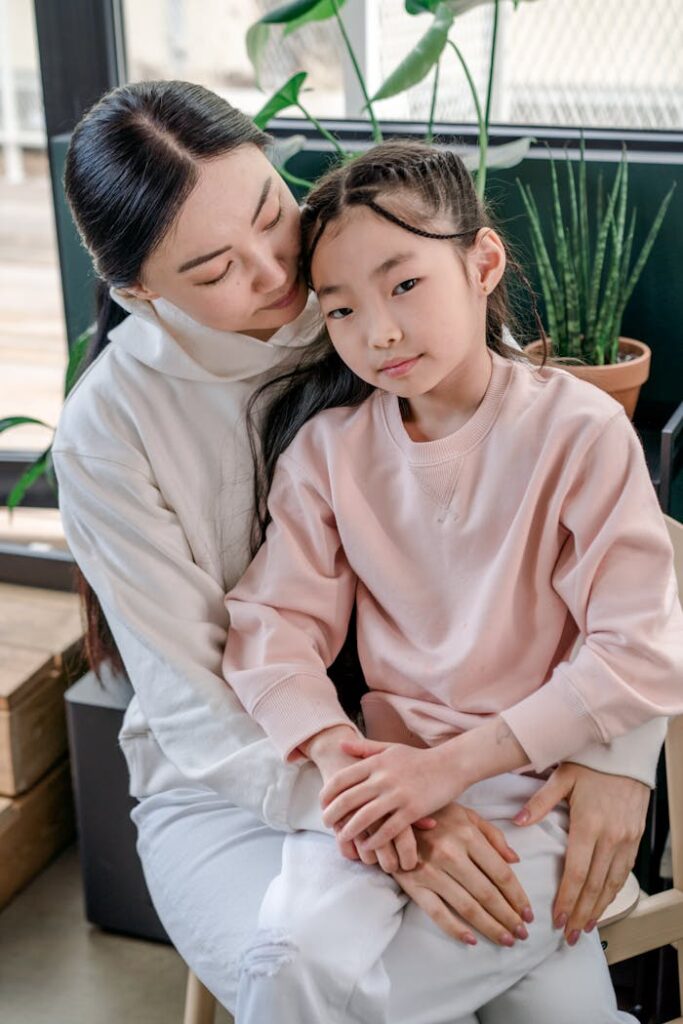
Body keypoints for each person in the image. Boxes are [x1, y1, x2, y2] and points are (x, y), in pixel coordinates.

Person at [52, 80, 666, 1021]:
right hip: (261, 782)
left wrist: (620, 756)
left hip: (504, 759)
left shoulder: (367, 276)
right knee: (308, 974)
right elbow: (215, 688)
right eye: (213, 271)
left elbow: (619, 602)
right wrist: (387, 798)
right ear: (138, 293)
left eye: (270, 214)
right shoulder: (113, 429)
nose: (274, 275)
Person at [223, 140, 683, 1022]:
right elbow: (270, 625)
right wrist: (336, 755)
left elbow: (635, 647)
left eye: (404, 286)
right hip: (382, 783)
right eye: (343, 309)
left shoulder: (579, 431)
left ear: (481, 262)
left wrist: (452, 769)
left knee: (347, 996)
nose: (379, 333)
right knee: (289, 960)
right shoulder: (327, 455)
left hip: (540, 789)